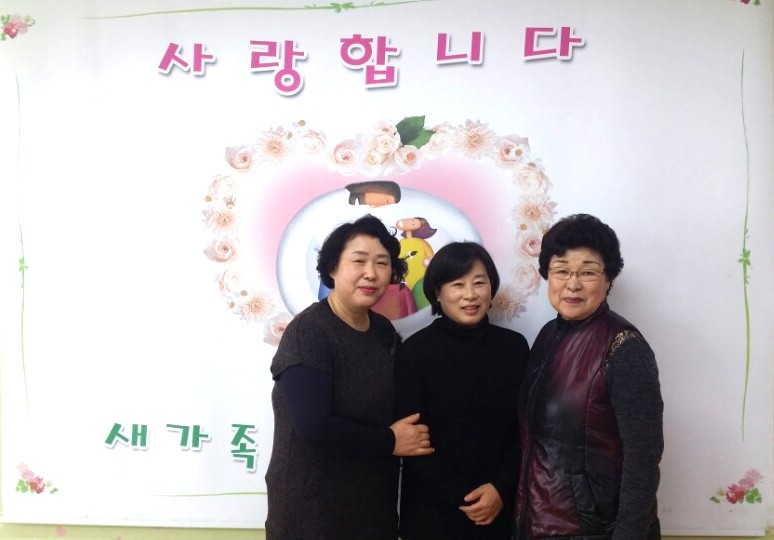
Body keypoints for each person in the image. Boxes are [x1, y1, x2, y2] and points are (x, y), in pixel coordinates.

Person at [265, 214, 434, 540]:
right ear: (333, 268)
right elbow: (314, 425)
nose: (371, 273)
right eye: (359, 261)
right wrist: (390, 441)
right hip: (313, 512)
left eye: (382, 263)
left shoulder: (383, 331)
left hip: (372, 505)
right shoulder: (309, 331)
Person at [514, 214, 664, 540]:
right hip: (538, 523)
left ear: (608, 279)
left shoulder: (624, 347)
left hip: (595, 530)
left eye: (587, 272)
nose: (573, 284)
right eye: (561, 270)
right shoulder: (547, 336)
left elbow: (643, 456)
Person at [396, 241, 530, 539]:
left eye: (479, 283)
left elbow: (526, 429)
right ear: (437, 293)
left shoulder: (514, 348)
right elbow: (413, 442)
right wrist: (465, 497)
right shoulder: (414, 353)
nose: (470, 294)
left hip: (499, 509)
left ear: (491, 288)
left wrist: (501, 489)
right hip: (432, 513)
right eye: (457, 285)